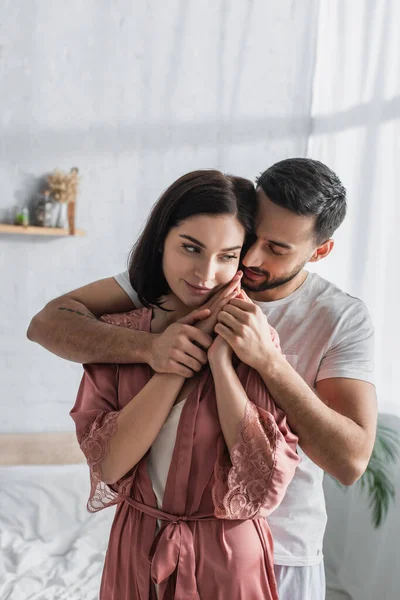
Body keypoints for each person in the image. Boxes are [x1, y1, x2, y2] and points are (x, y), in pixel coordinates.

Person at [27, 158, 377, 600]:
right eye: (250, 238)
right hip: (152, 541)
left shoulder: (339, 317)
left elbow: (350, 462)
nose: (249, 259)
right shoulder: (185, 282)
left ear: (320, 250)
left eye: (276, 248)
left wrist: (270, 363)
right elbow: (47, 323)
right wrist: (151, 348)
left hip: (280, 550)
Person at [68, 170, 300, 599]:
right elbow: (111, 465)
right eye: (191, 248)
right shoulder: (117, 336)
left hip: (229, 561)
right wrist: (173, 363)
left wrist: (222, 367)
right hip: (137, 551)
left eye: (227, 256)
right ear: (161, 242)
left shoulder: (254, 338)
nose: (206, 274)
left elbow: (260, 484)